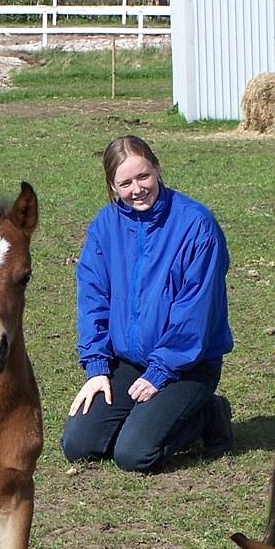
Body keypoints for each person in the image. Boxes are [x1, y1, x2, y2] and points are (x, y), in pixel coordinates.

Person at [61, 135, 235, 473]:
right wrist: (97, 367)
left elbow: (195, 313)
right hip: (129, 361)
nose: (137, 189)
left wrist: (161, 372)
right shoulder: (105, 226)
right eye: (125, 182)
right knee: (79, 445)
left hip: (186, 364)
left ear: (157, 169)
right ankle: (146, 418)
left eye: (143, 176)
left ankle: (209, 414)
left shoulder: (197, 226)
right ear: (112, 186)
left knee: (134, 454)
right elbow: (92, 297)